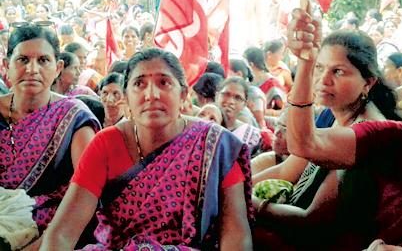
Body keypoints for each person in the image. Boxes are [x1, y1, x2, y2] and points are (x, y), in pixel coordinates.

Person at [37, 48, 253, 250]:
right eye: (139, 84)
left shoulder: (215, 146)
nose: (151, 94)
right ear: (127, 97)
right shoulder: (106, 144)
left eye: (164, 83)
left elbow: (236, 235)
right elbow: (62, 232)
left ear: (183, 94)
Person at [258, 7, 402, 250]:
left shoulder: (372, 131)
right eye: (320, 68)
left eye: (338, 71)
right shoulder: (328, 115)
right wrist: (236, 187)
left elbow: (312, 221)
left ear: (368, 82)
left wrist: (250, 204)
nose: (324, 80)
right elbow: (287, 170)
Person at [0, 24, 100, 234]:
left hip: (55, 232)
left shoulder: (74, 117)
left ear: (58, 67)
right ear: (6, 65)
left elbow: (87, 197)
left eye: (43, 60)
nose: (32, 69)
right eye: (23, 60)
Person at [216, 76, 261, 156]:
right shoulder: (202, 124)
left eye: (238, 98)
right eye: (226, 94)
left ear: (244, 104)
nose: (230, 101)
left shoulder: (249, 135)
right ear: (217, 96)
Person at [244, 46, 285, 113]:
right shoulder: (245, 80)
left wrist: (260, 111)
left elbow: (283, 110)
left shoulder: (272, 82)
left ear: (251, 64)